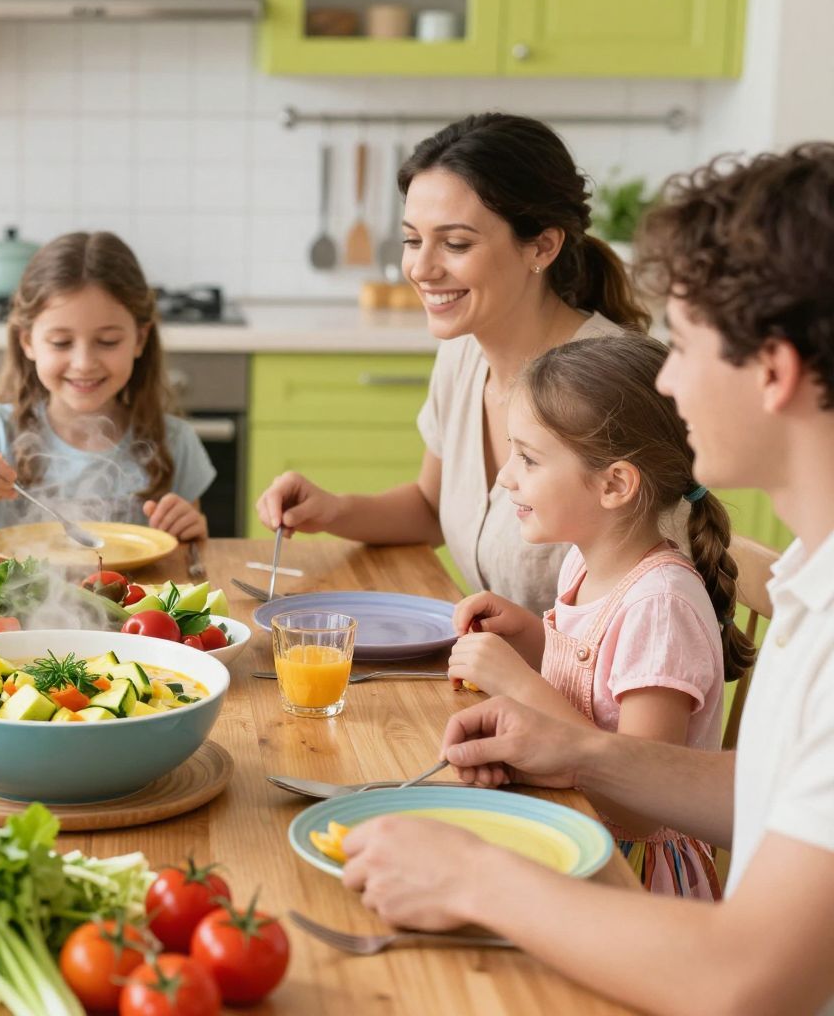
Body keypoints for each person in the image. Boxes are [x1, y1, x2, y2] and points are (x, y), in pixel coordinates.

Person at [339, 145, 834, 1014]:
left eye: (681, 345)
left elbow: (744, 980)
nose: (665, 374)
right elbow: (772, 788)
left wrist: (472, 876)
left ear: (774, 369)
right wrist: (576, 749)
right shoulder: (812, 586)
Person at [256, 113, 650, 613]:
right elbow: (430, 507)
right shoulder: (464, 353)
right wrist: (332, 509)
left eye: (456, 243)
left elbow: (647, 610)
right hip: (495, 669)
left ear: (543, 247)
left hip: (575, 688)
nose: (421, 269)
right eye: (413, 240)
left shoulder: (612, 388)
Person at [446, 336, 755, 899]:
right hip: (572, 824)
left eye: (529, 459)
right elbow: (595, 683)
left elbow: (638, 803)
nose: (506, 477)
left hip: (631, 875)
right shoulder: (582, 565)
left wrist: (518, 683)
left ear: (614, 483)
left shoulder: (661, 606)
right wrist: (529, 636)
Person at [0, 231, 216, 541]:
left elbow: (192, 557)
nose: (83, 363)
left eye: (108, 341)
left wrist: (191, 532)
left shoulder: (174, 443)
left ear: (139, 340)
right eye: (62, 343)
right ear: (28, 342)